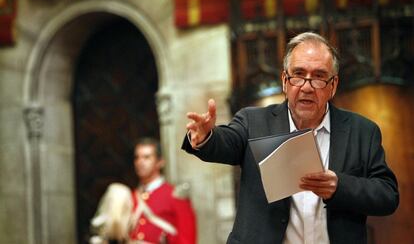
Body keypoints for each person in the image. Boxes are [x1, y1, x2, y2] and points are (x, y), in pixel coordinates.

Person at [182, 32, 399, 243]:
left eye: (319, 77)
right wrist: (206, 137)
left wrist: (339, 187)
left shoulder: (361, 131)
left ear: (333, 86)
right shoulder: (254, 122)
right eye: (298, 75)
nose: (306, 86)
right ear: (285, 81)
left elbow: (387, 195)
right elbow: (226, 143)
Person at [129, 137, 197, 244]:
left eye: (146, 157)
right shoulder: (131, 197)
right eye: (137, 157)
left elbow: (187, 239)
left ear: (160, 162)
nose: (140, 162)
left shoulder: (175, 195)